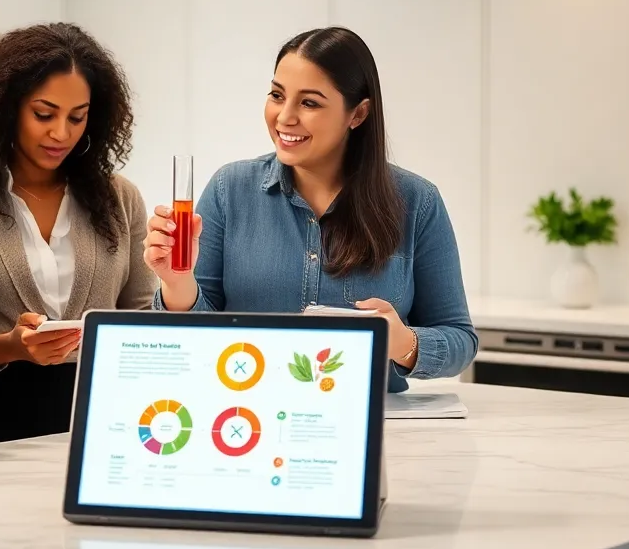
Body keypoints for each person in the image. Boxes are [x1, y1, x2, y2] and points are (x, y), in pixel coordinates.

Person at [144, 27, 477, 393]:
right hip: (249, 412)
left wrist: (403, 342)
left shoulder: (417, 202)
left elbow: (460, 339)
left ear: (358, 113)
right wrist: (177, 283)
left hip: (373, 418)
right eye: (277, 95)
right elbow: (192, 338)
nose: (284, 117)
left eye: (309, 103)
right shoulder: (229, 189)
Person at [0, 22, 156, 447]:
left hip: (106, 417)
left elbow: (143, 316)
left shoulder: (121, 200)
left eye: (77, 117)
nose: (61, 133)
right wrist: (10, 346)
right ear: (7, 108)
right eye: (44, 114)